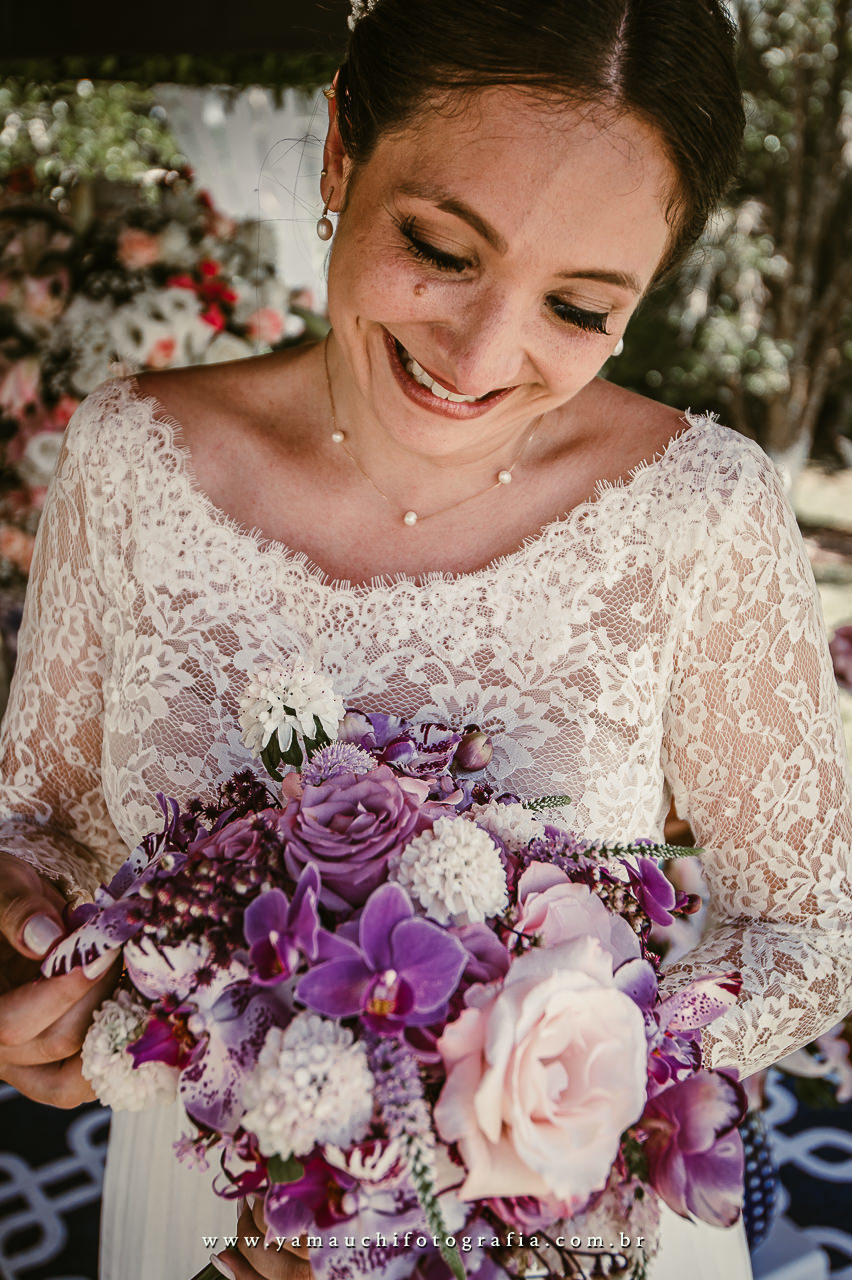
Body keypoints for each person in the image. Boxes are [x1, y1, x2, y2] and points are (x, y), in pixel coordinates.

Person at [1, 0, 851, 1277]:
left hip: (549, 1214)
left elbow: (810, 926)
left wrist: (526, 1105)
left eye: (579, 306)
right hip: (212, 1191)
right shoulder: (132, 459)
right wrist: (24, 942)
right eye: (441, 248)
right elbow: (38, 822)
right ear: (341, 150)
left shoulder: (704, 510)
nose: (481, 353)